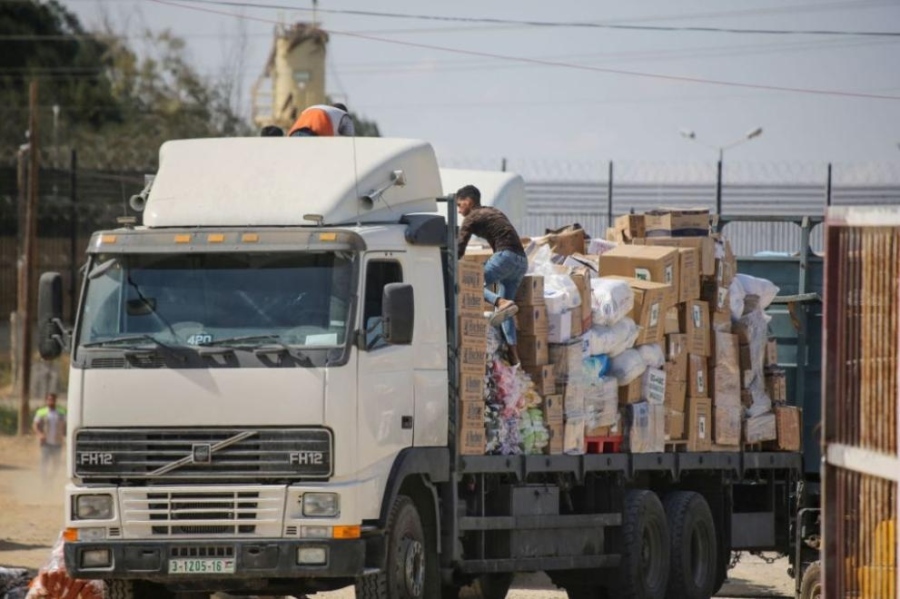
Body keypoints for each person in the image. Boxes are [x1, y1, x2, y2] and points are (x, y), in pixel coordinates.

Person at [456, 184, 528, 365]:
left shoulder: (471, 217)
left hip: (506, 256)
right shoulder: (492, 211)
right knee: (505, 314)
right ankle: (514, 354)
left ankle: (500, 301)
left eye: (459, 205)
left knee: (470, 283)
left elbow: (459, 248)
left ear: (469, 202)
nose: (458, 210)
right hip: (521, 261)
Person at [32, 392, 66, 482]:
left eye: (53, 400)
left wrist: (64, 437)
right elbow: (35, 425)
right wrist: (40, 434)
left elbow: (65, 425)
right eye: (49, 399)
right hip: (46, 442)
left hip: (57, 442)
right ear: (46, 400)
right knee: (44, 463)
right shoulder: (41, 412)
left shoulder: (61, 412)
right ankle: (44, 481)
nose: (51, 401)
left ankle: (51, 479)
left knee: (56, 464)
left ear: (55, 401)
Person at [288, 103, 355, 137]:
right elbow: (349, 139)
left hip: (294, 132)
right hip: (314, 133)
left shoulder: (326, 110)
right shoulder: (344, 116)